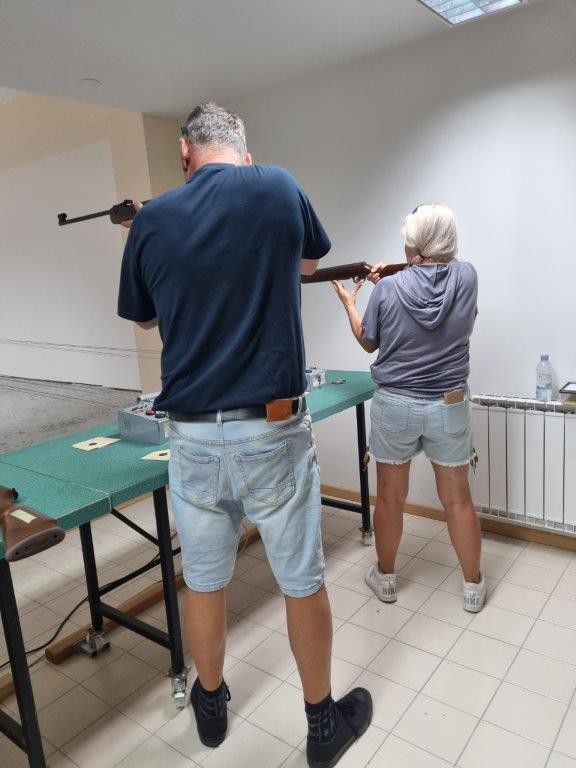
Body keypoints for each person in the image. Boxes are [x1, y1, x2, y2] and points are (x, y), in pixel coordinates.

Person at [117, 102, 372, 767]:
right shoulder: (277, 186)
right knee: (301, 580)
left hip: (192, 437)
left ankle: (209, 709)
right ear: (244, 153)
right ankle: (322, 728)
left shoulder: (153, 220)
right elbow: (308, 266)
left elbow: (144, 319)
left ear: (184, 152)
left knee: (204, 581)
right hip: (273, 430)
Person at [332, 204, 485, 613]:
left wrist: (350, 303)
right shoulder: (467, 278)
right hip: (449, 405)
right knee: (458, 500)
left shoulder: (387, 290)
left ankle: (385, 579)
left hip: (395, 406)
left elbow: (368, 341)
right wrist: (407, 266)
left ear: (416, 245)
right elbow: (441, 268)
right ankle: (473, 586)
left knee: (389, 498)